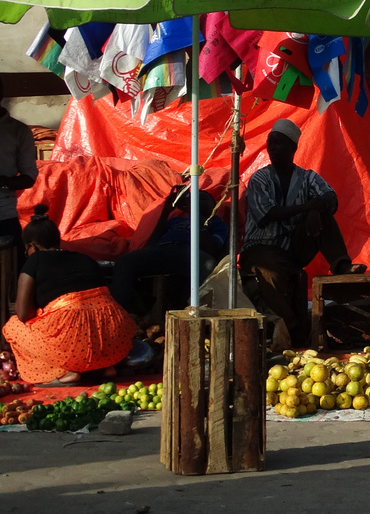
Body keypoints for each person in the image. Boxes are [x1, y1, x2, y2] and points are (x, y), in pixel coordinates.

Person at [240, 119, 363, 345]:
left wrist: (316, 209)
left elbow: (330, 197)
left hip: (292, 248)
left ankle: (341, 264)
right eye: (270, 143)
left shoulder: (307, 177)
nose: (272, 147)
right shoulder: (260, 178)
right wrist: (309, 207)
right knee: (270, 271)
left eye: (279, 143)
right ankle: (293, 329)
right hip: (261, 248)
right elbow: (268, 214)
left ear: (293, 147)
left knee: (323, 214)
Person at [1, 205, 137, 385]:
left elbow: (23, 313)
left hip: (72, 343)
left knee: (13, 327)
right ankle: (104, 368)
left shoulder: (35, 260)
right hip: (114, 342)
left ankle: (62, 373)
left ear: (31, 246)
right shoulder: (84, 258)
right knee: (83, 331)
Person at [110, 181, 228, 317]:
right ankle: (122, 312)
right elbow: (151, 243)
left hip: (190, 254)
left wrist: (197, 218)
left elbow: (211, 249)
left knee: (208, 265)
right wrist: (167, 210)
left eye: (202, 198)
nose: (196, 201)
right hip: (162, 250)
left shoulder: (216, 222)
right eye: (194, 198)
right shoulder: (175, 220)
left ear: (214, 206)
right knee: (125, 261)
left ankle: (195, 312)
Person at [0, 77, 39, 249]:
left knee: (10, 270)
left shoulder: (18, 131)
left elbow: (29, 177)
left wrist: (4, 182)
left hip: (3, 216)